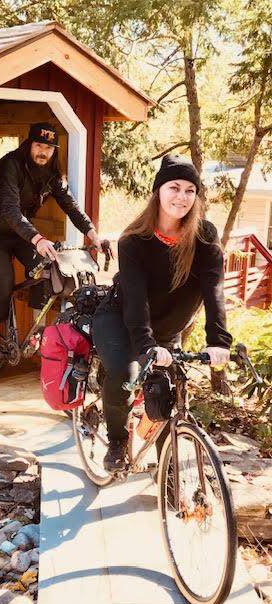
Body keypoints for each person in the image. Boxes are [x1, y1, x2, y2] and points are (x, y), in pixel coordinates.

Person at [92, 154, 232, 472]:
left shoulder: (205, 237)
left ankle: (168, 477)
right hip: (121, 319)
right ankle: (116, 441)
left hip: (167, 329)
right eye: (174, 187)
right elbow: (135, 301)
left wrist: (219, 341)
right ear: (158, 191)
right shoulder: (134, 240)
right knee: (125, 376)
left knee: (164, 396)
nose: (181, 197)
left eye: (189, 190)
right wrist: (145, 348)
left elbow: (214, 291)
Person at [0, 121, 103, 359]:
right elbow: (10, 209)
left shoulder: (52, 174)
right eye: (39, 145)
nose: (43, 152)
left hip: (19, 232)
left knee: (46, 268)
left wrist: (93, 234)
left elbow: (71, 207)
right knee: (4, 279)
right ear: (29, 144)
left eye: (49, 148)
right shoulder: (10, 165)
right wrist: (38, 238)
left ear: (54, 150)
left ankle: (36, 330)